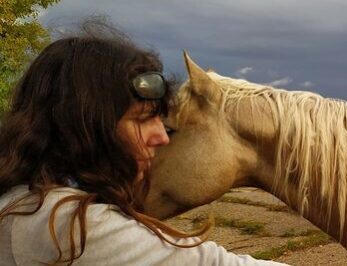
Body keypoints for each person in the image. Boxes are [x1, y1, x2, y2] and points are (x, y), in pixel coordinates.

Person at [0, 21, 287, 265]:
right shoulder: (68, 227)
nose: (162, 137)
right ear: (81, 128)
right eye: (141, 120)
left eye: (160, 120)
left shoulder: (22, 199)